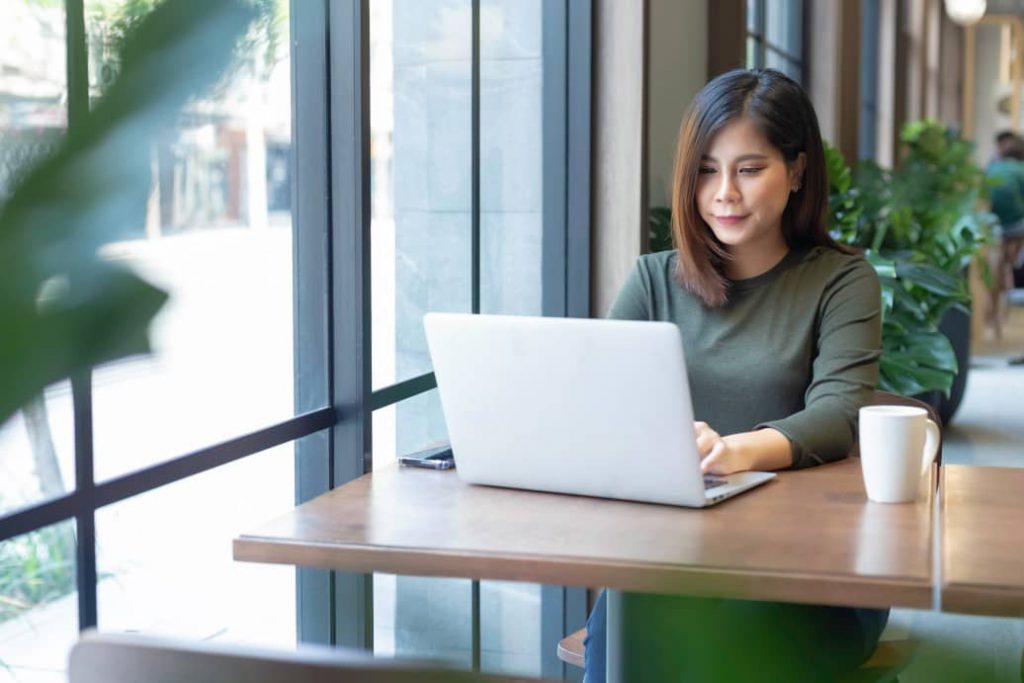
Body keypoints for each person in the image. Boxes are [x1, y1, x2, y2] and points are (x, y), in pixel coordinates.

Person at [582, 68, 887, 682]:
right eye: (705, 170)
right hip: (675, 553)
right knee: (624, 628)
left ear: (797, 171)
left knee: (716, 646)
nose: (724, 192)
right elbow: (601, 402)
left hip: (815, 564)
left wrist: (732, 450)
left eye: (749, 169)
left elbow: (839, 413)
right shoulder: (653, 280)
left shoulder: (842, 281)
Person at [985, 132, 1024, 348]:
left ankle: (993, 316)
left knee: (998, 269)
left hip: (995, 225)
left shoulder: (993, 167)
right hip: (1017, 228)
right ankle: (1014, 266)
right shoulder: (1021, 170)